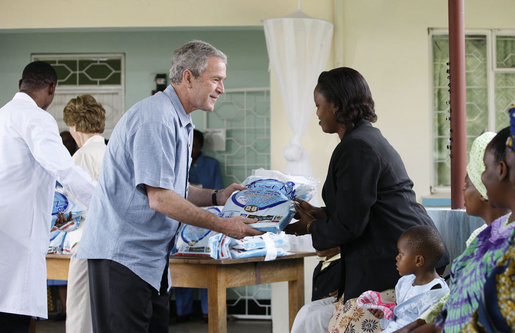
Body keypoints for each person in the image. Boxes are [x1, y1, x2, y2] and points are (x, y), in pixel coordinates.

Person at [76, 40, 262, 333]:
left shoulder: (181, 121)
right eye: (216, 80)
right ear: (188, 77)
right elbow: (161, 200)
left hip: (151, 261)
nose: (222, 89)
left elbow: (173, 188)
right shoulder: (156, 118)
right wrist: (224, 225)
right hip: (122, 258)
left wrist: (218, 196)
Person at [285, 67, 447, 333]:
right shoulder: (365, 139)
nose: (317, 113)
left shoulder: (356, 147)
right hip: (391, 259)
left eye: (318, 105)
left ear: (336, 106)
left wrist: (311, 227)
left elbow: (350, 224)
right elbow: (360, 206)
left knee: (331, 323)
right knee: (309, 317)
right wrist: (321, 214)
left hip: (397, 267)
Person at [0, 61, 96, 332]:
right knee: (12, 318)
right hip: (17, 239)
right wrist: (104, 204)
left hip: (5, 232)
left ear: (20, 85)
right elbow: (63, 168)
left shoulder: (2, 116)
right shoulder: (37, 118)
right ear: (52, 89)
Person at [399, 128, 515, 333]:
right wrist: (426, 325)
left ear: (501, 170)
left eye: (486, 168)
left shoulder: (506, 246)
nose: (483, 179)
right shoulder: (488, 237)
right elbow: (459, 303)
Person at [62, 94, 107, 333]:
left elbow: (71, 206)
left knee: (80, 312)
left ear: (74, 126)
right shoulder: (110, 152)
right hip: (110, 244)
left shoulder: (81, 157)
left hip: (87, 239)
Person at [174, 128, 224, 322]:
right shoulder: (177, 163)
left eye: (195, 145)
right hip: (179, 218)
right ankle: (182, 311)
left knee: (206, 265)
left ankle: (207, 311)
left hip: (206, 219)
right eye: (189, 145)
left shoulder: (212, 165)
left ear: (201, 146)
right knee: (183, 265)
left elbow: (218, 192)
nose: (192, 149)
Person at [362, 226, 449, 333]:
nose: (396, 258)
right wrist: (385, 313)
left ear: (418, 260)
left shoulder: (436, 292)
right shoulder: (405, 282)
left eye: (401, 254)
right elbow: (400, 314)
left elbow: (428, 326)